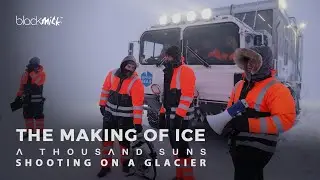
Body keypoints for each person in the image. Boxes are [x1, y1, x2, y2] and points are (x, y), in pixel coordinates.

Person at [223, 46, 296, 180]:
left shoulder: (277, 89)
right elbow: (230, 110)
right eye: (247, 60)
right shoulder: (239, 85)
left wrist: (249, 124)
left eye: (254, 60)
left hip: (260, 146)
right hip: (237, 144)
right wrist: (225, 123)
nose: (250, 64)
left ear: (265, 62)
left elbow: (285, 120)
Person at [97, 55, 144, 178]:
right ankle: (105, 167)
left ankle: (126, 164)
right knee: (107, 142)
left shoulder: (136, 82)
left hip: (126, 118)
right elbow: (105, 89)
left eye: (133, 67)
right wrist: (102, 105)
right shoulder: (112, 74)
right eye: (128, 66)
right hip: (109, 115)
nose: (130, 69)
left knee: (124, 143)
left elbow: (138, 104)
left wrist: (138, 122)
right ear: (123, 64)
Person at [158, 46, 196, 180]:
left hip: (182, 118)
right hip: (171, 116)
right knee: (175, 145)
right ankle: (180, 176)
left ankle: (188, 178)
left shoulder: (186, 70)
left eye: (168, 56)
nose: (166, 58)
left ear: (174, 56)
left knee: (182, 147)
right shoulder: (168, 71)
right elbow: (166, 97)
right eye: (165, 56)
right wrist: (162, 113)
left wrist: (179, 116)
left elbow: (187, 95)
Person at [15, 57, 46, 139]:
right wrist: (18, 96)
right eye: (33, 64)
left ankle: (40, 133)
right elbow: (22, 87)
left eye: (36, 64)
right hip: (26, 99)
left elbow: (38, 81)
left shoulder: (41, 73)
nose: (34, 65)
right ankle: (30, 132)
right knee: (27, 116)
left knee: (38, 116)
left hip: (37, 100)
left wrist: (31, 72)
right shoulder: (25, 74)